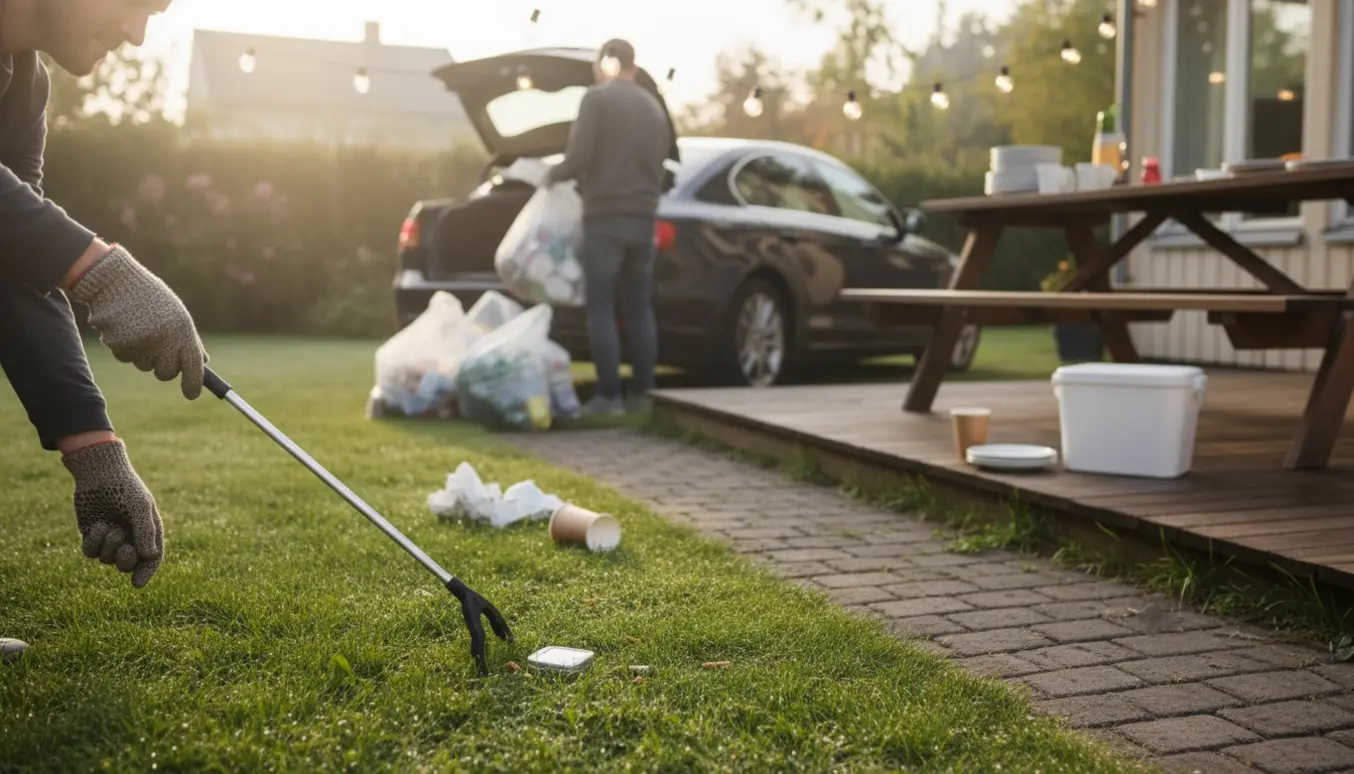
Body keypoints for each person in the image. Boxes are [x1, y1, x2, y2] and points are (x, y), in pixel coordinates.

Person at [0, 0, 208, 661]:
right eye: (133, 2)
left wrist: (95, 453)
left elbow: (14, 265)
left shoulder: (24, 85)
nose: (136, 34)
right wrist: (100, 270)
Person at [546, 38, 674, 416]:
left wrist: (549, 176)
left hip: (605, 217)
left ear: (604, 63)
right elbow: (663, 162)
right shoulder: (654, 107)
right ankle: (644, 396)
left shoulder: (596, 99)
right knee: (639, 308)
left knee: (601, 307)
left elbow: (579, 156)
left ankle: (608, 397)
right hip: (644, 218)